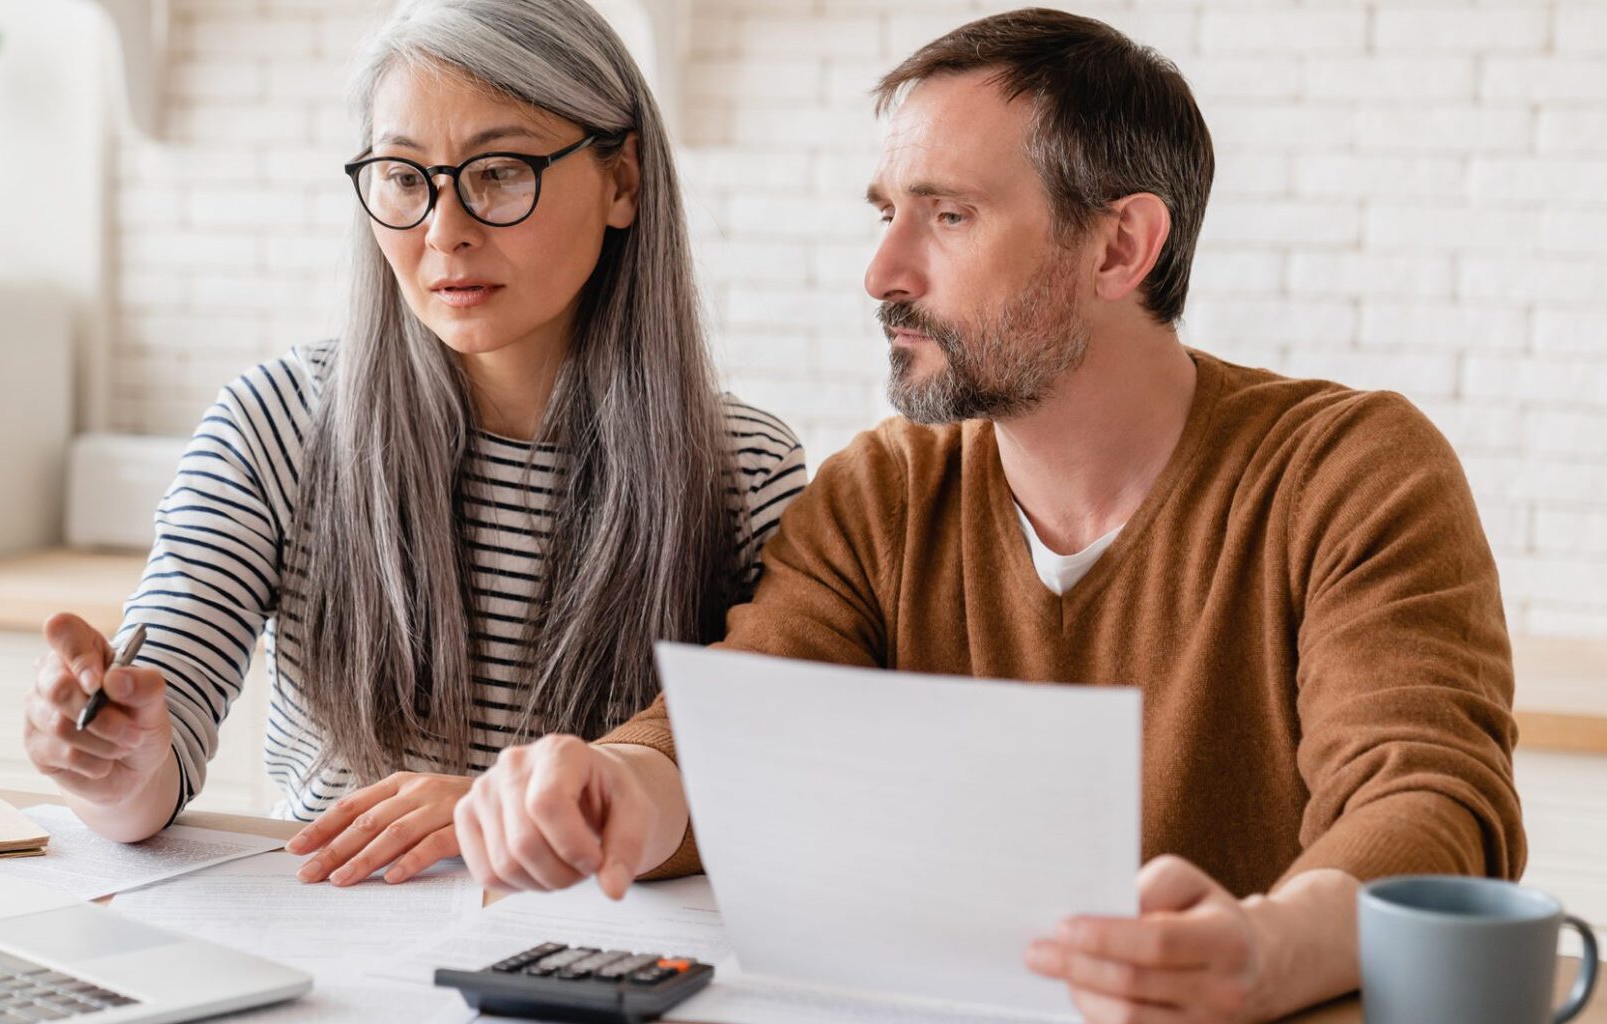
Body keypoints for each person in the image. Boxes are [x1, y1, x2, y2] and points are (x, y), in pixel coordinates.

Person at [453, 9, 1524, 1022]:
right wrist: (611, 788)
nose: (882, 271)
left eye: (947, 216)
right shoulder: (879, 493)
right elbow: (734, 735)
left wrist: (1262, 950)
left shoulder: (1346, 472)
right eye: (886, 213)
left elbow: (1431, 805)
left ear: (1117, 248)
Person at [19, 0, 805, 890]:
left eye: (500, 173)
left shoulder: (745, 467)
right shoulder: (278, 422)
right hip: (341, 930)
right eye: (403, 177)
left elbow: (767, 781)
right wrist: (109, 759)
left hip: (610, 949)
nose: (444, 231)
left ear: (622, 181)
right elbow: (151, 769)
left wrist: (495, 818)